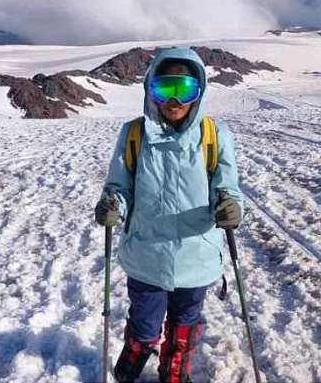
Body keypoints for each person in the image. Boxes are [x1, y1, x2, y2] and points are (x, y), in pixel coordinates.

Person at [95, 48, 244, 383]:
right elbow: (119, 186)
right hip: (147, 254)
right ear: (151, 90)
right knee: (145, 322)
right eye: (164, 89)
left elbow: (227, 188)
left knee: (185, 323)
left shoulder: (214, 136)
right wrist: (112, 204)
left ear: (199, 92)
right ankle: (138, 348)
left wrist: (231, 208)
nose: (174, 101)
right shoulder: (134, 134)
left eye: (184, 90)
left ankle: (175, 368)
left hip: (197, 255)